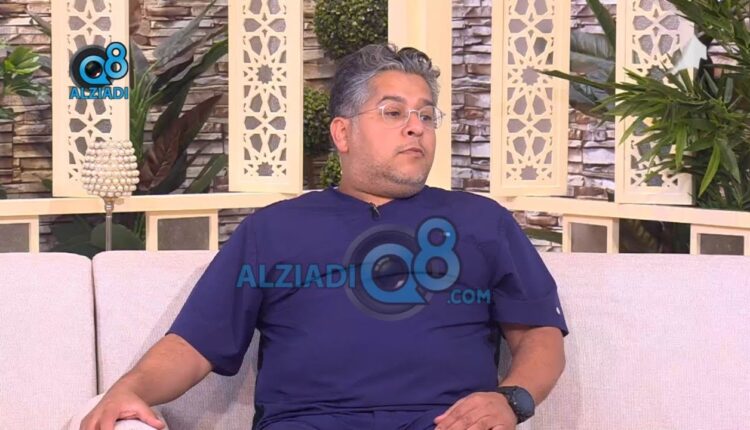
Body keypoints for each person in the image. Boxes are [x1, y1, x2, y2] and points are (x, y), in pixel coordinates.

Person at [81, 43, 568, 430]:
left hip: (445, 422)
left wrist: (511, 400)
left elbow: (539, 334)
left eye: (426, 115)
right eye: (393, 112)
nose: (415, 129)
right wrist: (131, 389)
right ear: (342, 133)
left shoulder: (483, 221)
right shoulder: (273, 229)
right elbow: (195, 344)